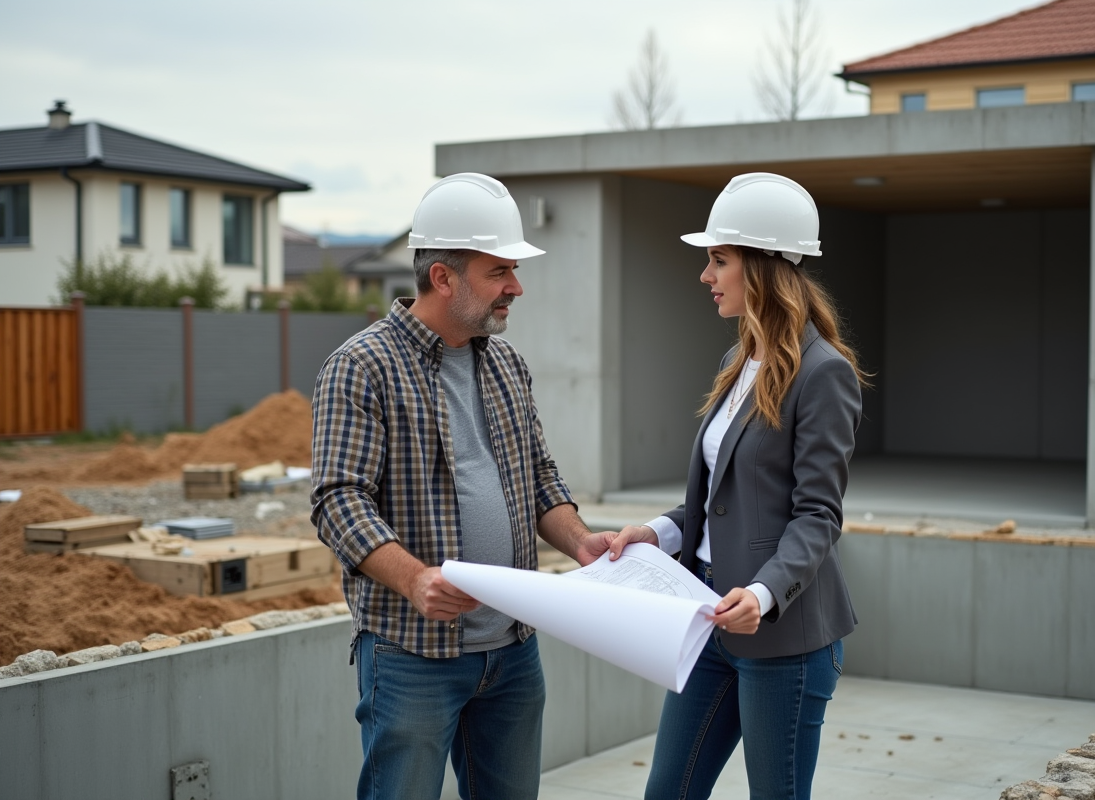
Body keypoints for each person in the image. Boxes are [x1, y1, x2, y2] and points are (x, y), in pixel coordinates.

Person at [310, 172, 601, 800]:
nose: (516, 287)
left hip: (513, 652)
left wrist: (582, 542)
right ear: (443, 277)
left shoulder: (507, 364)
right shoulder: (361, 367)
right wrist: (417, 580)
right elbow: (338, 501)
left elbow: (539, 477)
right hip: (411, 657)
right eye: (499, 272)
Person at [601, 173, 869, 800]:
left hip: (783, 638)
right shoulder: (735, 361)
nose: (706, 275)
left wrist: (763, 594)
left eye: (719, 260)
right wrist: (658, 533)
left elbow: (818, 516)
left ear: (764, 268)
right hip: (708, 620)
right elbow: (722, 497)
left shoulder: (824, 374)